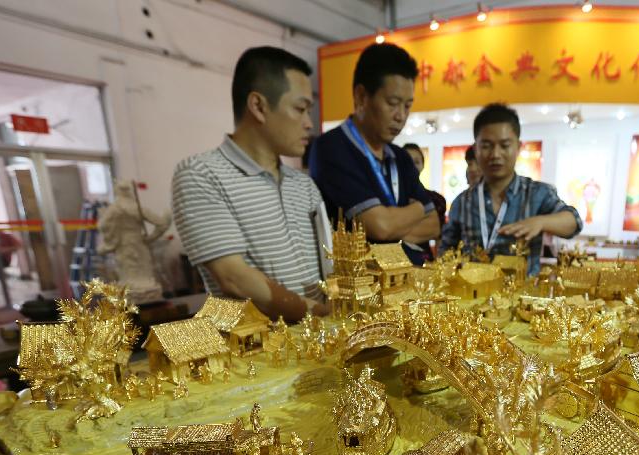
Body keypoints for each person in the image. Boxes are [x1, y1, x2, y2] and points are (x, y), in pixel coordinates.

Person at [171, 46, 328, 322]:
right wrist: (321, 314)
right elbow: (234, 278)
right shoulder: (201, 174)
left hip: (321, 341)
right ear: (258, 106)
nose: (308, 124)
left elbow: (327, 265)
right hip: (259, 354)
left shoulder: (303, 185)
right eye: (300, 109)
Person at [309, 43, 440, 266]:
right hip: (361, 290)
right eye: (392, 103)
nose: (401, 116)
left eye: (407, 106)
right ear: (361, 97)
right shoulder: (332, 148)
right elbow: (381, 226)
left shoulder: (400, 157)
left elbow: (433, 225)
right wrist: (418, 209)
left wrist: (389, 231)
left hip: (408, 284)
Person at [441, 104, 582, 275]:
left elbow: (574, 222)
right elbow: (445, 252)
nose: (495, 154)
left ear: (518, 147)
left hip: (523, 297)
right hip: (473, 297)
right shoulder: (462, 202)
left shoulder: (537, 193)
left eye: (505, 145)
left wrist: (540, 222)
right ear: (476, 149)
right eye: (486, 146)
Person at [403, 142, 446, 260]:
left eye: (416, 162)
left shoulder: (436, 200)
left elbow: (439, 238)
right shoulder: (389, 198)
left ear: (422, 165)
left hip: (424, 261)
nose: (412, 166)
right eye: (407, 162)